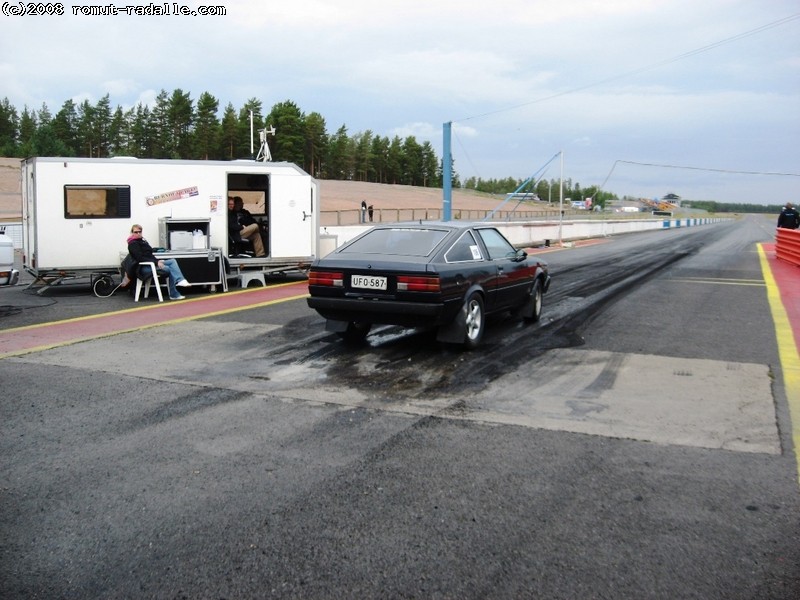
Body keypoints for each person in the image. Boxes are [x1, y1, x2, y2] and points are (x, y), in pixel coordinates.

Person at [126, 224, 191, 300]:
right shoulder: (133, 244)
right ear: (132, 233)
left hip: (151, 264)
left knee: (172, 261)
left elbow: (149, 255)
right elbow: (140, 258)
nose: (138, 234)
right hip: (143, 268)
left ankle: (180, 280)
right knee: (169, 268)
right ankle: (173, 294)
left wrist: (157, 261)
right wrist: (156, 263)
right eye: (135, 232)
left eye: (140, 232)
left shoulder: (142, 241)